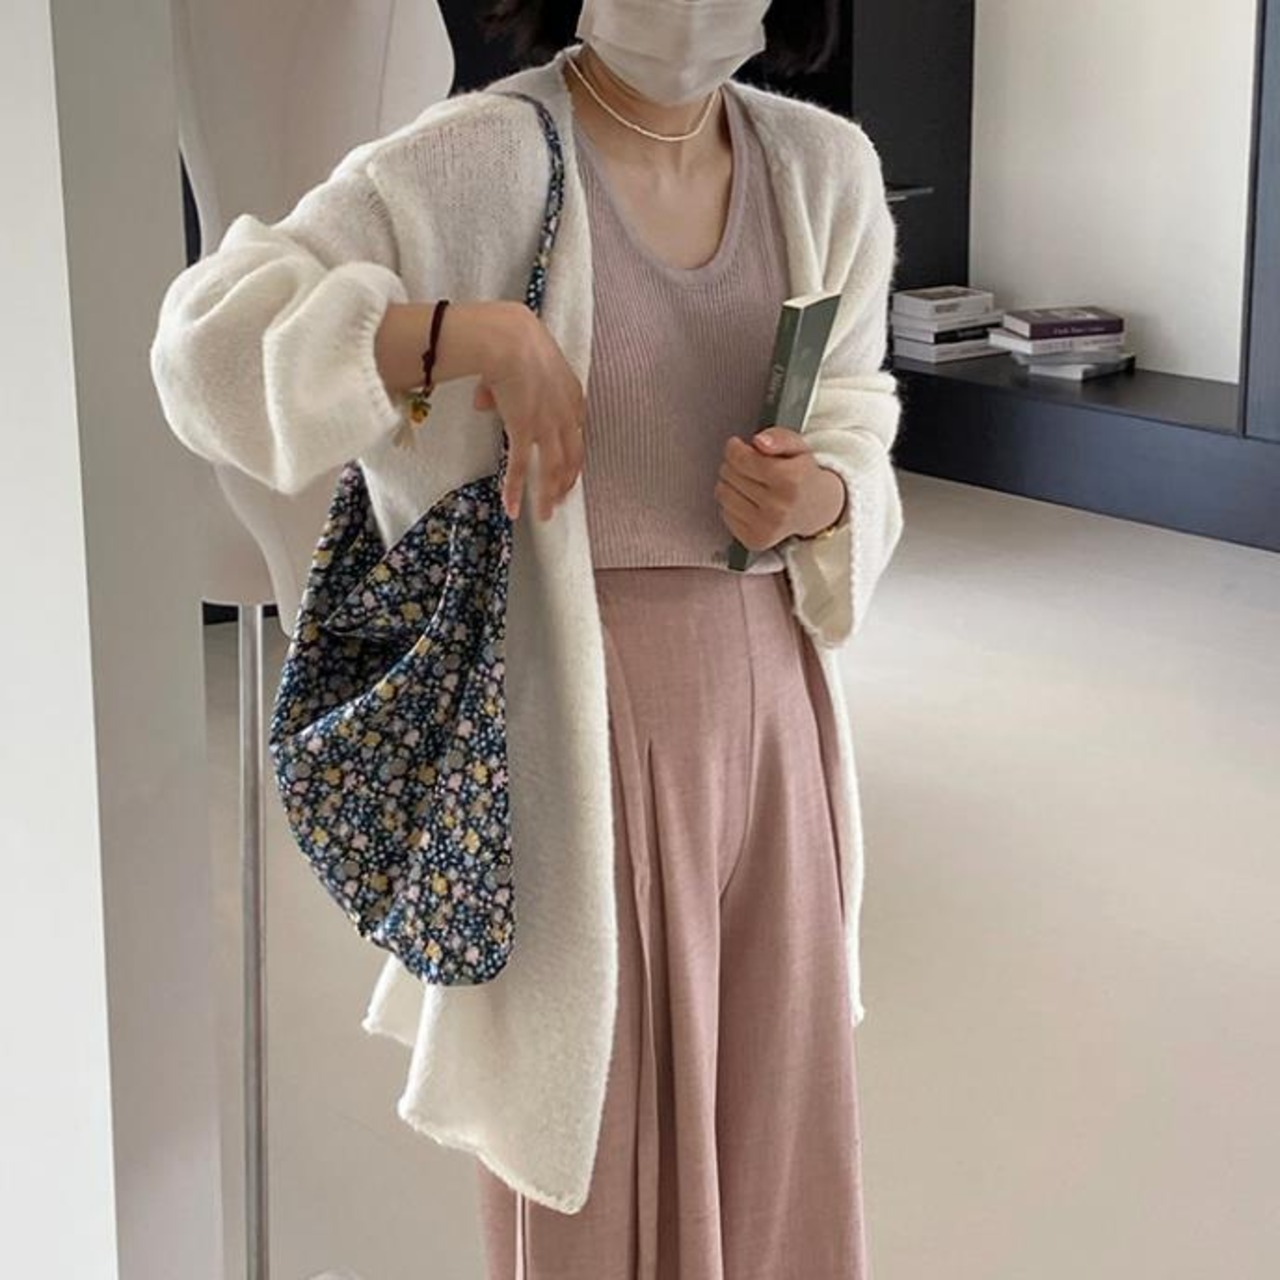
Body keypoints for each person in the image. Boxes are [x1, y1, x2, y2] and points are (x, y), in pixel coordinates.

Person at [150, 1, 904, 1276]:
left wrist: (822, 497)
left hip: (773, 727)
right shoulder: (482, 157)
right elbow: (204, 345)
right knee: (590, 1162)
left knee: (778, 1148)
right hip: (566, 723)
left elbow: (854, 405)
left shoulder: (820, 167)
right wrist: (458, 336)